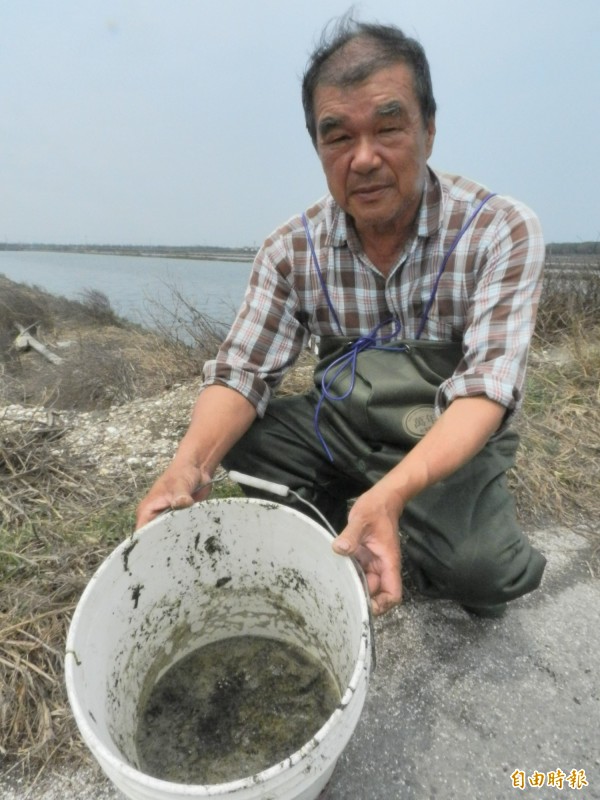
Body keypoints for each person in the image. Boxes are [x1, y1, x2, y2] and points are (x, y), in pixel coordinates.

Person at [136, 16, 546, 618]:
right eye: (338, 138)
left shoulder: (499, 230)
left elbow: (488, 388)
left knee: (483, 575)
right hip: (340, 426)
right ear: (318, 146)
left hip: (437, 432)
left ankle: (399, 514)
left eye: (389, 127)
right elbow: (240, 372)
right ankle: (341, 520)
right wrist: (186, 466)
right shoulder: (289, 250)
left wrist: (397, 488)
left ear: (429, 129)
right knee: (238, 438)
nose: (364, 159)